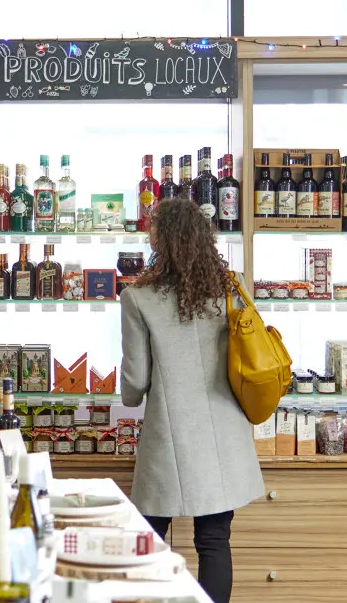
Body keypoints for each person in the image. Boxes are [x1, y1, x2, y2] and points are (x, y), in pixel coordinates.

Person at [120, 197, 264, 601]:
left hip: (171, 436)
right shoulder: (231, 287)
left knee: (147, 539)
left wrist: (129, 392)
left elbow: (135, 384)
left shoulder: (139, 298)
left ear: (160, 242)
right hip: (225, 436)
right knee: (214, 541)